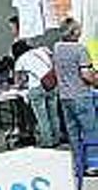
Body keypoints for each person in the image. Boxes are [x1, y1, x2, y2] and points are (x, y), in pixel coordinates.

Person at [54, 18, 98, 174]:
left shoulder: (57, 47)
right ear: (74, 32)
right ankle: (94, 164)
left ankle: (78, 163)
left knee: (73, 133)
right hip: (81, 96)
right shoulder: (80, 49)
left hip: (65, 97)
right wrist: (95, 80)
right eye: (78, 29)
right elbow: (86, 75)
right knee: (91, 130)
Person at [12, 40, 61, 148]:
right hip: (51, 84)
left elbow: (19, 81)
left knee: (42, 117)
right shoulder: (41, 51)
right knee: (53, 114)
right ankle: (57, 138)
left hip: (37, 88)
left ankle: (47, 141)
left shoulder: (20, 59)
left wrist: (18, 85)